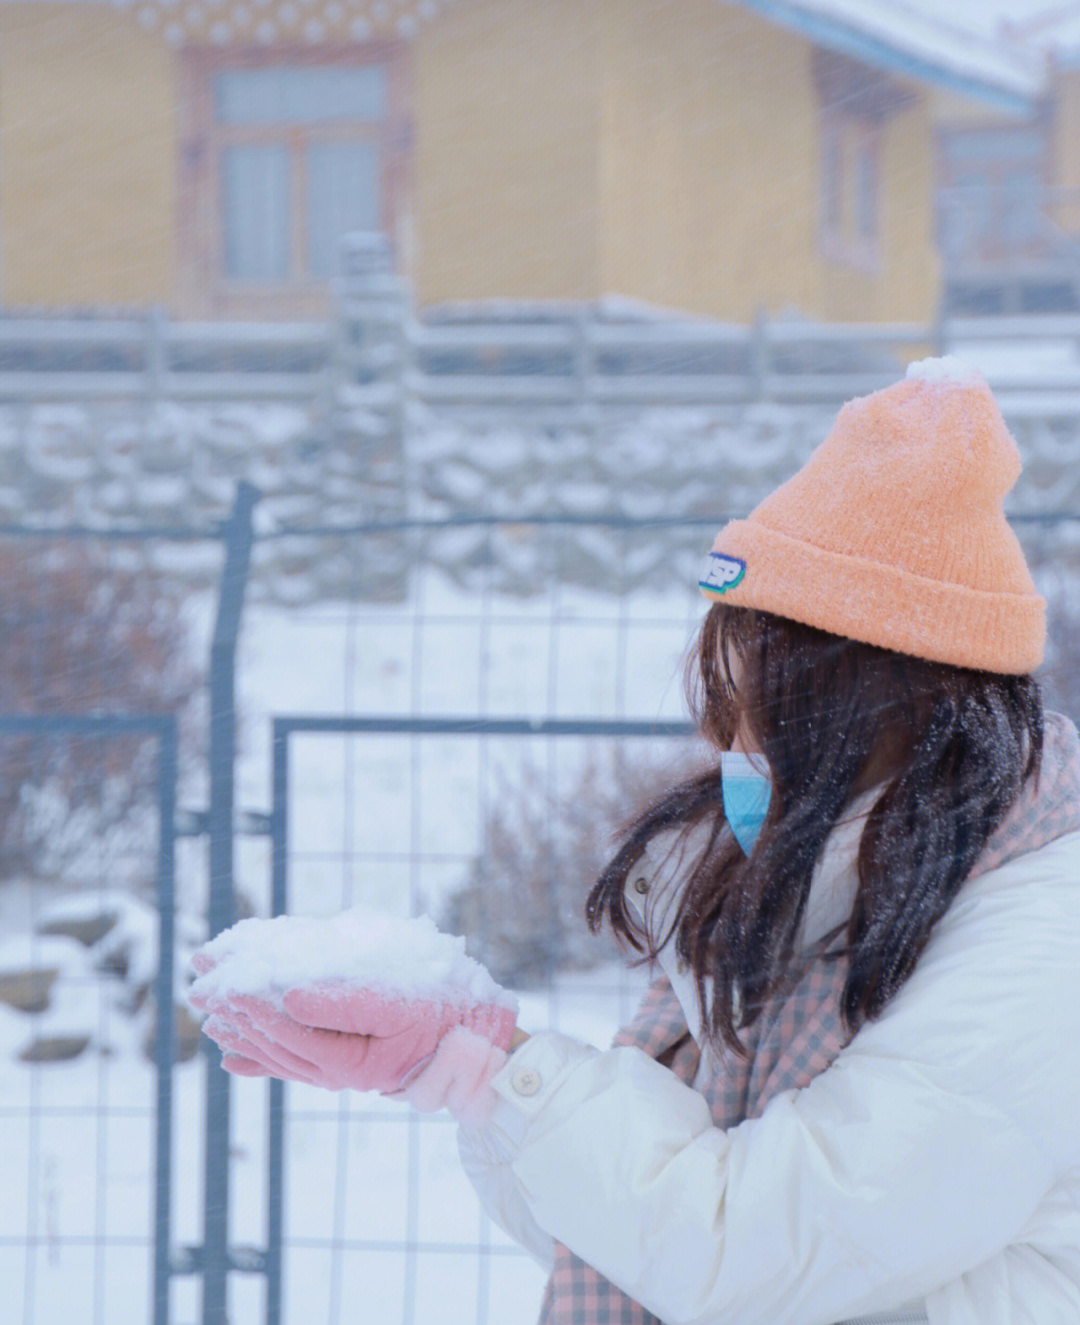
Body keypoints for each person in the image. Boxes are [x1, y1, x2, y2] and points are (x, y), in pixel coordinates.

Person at [193, 359, 1080, 1325]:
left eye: (754, 715)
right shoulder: (793, 901)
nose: (728, 750)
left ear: (864, 714)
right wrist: (474, 1073)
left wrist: (518, 1067)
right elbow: (625, 1242)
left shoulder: (1039, 952)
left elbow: (745, 1255)